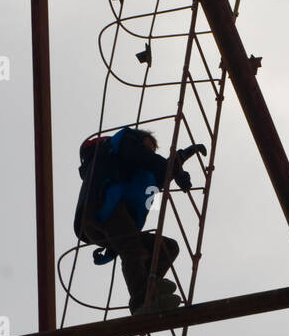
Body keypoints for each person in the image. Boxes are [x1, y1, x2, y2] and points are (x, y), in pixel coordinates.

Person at [74, 126, 207, 315]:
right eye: (150, 145)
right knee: (132, 247)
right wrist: (174, 170)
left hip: (111, 220)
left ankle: (148, 292)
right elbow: (145, 158)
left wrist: (181, 158)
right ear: (141, 139)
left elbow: (159, 172)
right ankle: (140, 302)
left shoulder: (135, 171)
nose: (151, 150)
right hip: (103, 206)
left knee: (167, 248)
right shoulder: (122, 142)